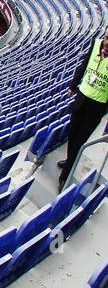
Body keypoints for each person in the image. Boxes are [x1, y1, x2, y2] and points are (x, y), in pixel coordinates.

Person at [59, 27, 108, 183]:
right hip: (82, 98)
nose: (106, 42)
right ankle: (69, 161)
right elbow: (84, 65)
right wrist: (73, 86)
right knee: (72, 136)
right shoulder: (96, 44)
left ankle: (64, 177)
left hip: (97, 106)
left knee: (80, 141)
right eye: (106, 38)